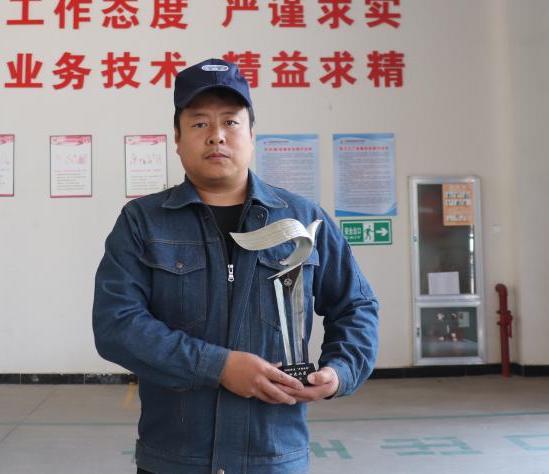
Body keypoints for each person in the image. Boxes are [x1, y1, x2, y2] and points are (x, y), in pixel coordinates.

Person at [93, 58, 379, 474]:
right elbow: (116, 325)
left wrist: (341, 369)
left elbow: (356, 305)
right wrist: (219, 366)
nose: (217, 136)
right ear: (177, 139)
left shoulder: (302, 220)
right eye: (199, 123)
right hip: (175, 460)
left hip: (273, 457)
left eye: (231, 122)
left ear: (252, 135)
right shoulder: (142, 223)